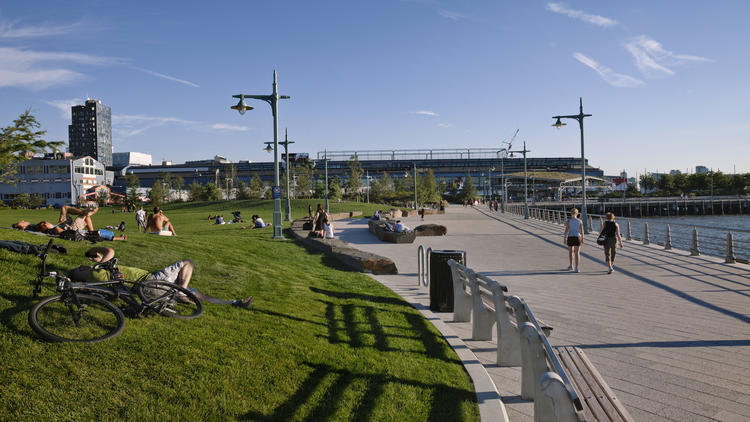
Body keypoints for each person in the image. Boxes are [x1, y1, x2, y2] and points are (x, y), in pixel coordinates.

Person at [70, 247, 253, 309]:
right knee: (187, 263)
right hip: (151, 280)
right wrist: (95, 251)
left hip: (144, 293)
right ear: (84, 269)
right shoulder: (96, 270)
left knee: (197, 294)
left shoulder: (95, 281)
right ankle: (182, 291)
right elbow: (110, 251)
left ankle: (234, 303)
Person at [563, 208, 584, 272]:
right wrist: (582, 238)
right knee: (577, 253)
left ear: (571, 213)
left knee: (570, 252)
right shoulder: (580, 221)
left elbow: (566, 230)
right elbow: (582, 231)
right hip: (577, 237)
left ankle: (571, 265)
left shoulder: (568, 221)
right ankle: (577, 268)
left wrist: (565, 238)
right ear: (577, 213)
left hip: (570, 237)